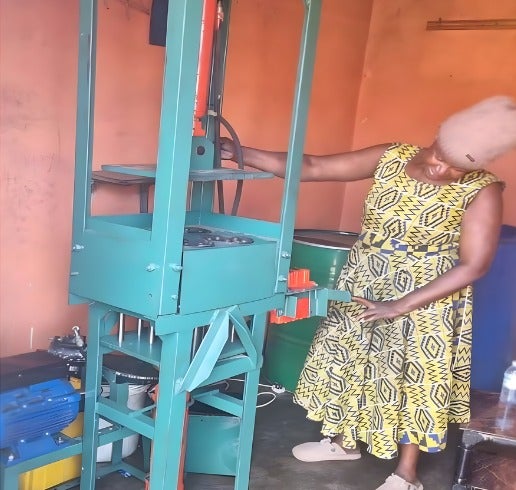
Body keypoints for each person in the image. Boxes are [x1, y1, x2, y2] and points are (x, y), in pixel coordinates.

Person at [221, 95, 516, 490]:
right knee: (353, 356)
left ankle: (406, 473)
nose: (442, 169)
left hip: (427, 292)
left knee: (414, 373)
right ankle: (344, 442)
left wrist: (400, 305)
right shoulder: (391, 156)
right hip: (366, 275)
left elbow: (474, 264)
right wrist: (243, 153)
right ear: (435, 138)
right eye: (438, 156)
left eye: (457, 169)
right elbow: (313, 166)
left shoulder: (483, 190)